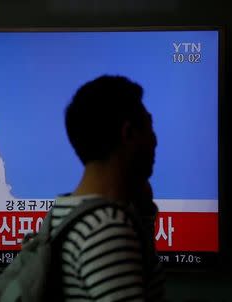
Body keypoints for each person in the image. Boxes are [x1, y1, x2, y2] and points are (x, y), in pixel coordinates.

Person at [52, 75, 165, 301]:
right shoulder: (106, 229)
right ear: (129, 133)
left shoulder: (64, 212)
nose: (155, 140)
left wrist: (143, 218)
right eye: (150, 126)